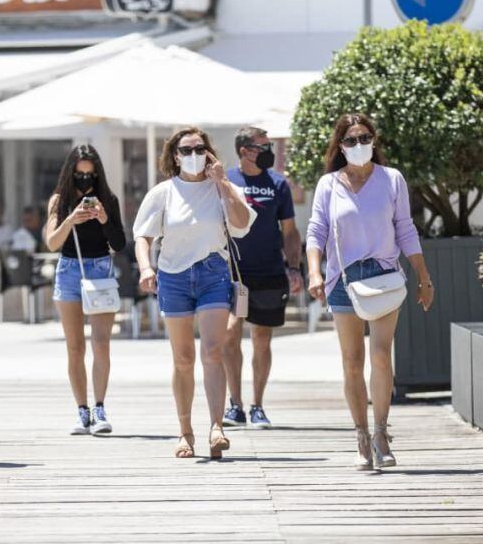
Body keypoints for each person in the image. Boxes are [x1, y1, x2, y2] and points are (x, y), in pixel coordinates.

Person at [305, 113, 434, 470]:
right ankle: (360, 434)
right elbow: (316, 231)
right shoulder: (329, 184)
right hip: (343, 278)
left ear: (374, 141)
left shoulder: (391, 179)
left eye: (364, 138)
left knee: (380, 355)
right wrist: (314, 272)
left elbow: (405, 229)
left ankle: (380, 432)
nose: (358, 146)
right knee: (351, 362)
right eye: (350, 140)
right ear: (340, 146)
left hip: (383, 275)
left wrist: (423, 276)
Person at [133, 127, 256, 460]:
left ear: (210, 153)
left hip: (213, 271)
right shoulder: (163, 193)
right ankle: (185, 431)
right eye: (185, 150)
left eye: (199, 149)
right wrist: (146, 268)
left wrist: (223, 183)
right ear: (174, 156)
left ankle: (217, 425)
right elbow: (142, 237)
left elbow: (243, 224)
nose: (193, 156)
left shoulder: (221, 188)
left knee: (213, 350)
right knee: (183, 358)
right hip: (173, 276)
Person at [221, 127, 303, 430]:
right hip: (234, 273)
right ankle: (235, 405)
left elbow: (290, 231)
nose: (268, 151)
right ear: (244, 150)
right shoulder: (227, 181)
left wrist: (294, 267)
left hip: (269, 272)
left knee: (262, 340)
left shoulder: (278, 184)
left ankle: (257, 406)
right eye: (262, 146)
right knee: (230, 334)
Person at [44, 145, 127, 435]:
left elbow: (119, 244)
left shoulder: (108, 199)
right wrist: (71, 218)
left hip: (101, 269)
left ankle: (100, 406)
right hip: (69, 270)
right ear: (70, 173)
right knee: (75, 346)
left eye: (90, 175)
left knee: (101, 343)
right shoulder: (60, 200)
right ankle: (82, 410)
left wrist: (103, 218)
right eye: (79, 175)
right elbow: (52, 242)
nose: (84, 181)